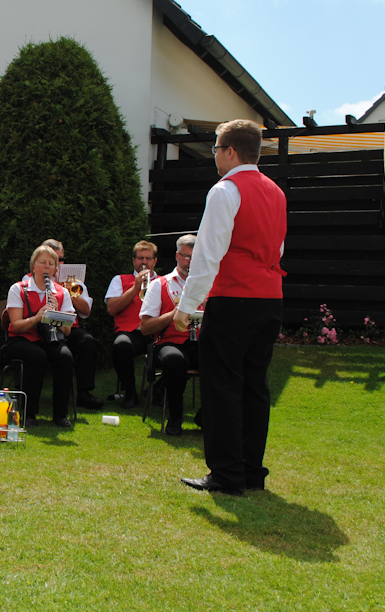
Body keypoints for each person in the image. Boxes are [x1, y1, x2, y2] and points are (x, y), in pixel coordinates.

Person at [174, 119, 287, 495]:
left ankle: (226, 474)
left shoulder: (225, 190)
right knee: (255, 385)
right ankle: (252, 471)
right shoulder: (276, 192)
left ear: (231, 151)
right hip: (270, 298)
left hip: (234, 296)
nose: (215, 156)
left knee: (222, 385)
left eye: (216, 148)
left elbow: (208, 254)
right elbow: (278, 249)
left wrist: (186, 305)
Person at [6, 245, 75, 427]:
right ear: (33, 267)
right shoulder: (18, 288)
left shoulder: (62, 292)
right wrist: (37, 317)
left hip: (49, 338)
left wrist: (57, 314)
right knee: (37, 356)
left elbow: (67, 331)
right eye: (42, 262)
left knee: (65, 356)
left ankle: (60, 414)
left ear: (55, 269)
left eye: (51, 264)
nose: (46, 267)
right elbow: (16, 326)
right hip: (21, 339)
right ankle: (28, 413)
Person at [139, 235, 201, 436]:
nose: (190, 262)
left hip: (201, 342)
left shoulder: (209, 285)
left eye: (195, 257)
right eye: (186, 256)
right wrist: (174, 314)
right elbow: (145, 327)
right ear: (177, 256)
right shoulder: (160, 284)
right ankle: (175, 418)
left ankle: (206, 416)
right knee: (174, 360)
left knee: (222, 359)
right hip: (169, 342)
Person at [40, 239, 103, 410]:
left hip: (69, 327)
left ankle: (83, 393)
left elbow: (86, 311)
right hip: (42, 327)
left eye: (60, 259)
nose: (58, 264)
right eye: (53, 259)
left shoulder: (74, 281)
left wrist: (67, 291)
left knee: (87, 342)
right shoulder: (32, 278)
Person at [104, 240, 158, 409]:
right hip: (131, 332)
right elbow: (111, 309)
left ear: (155, 261)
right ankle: (130, 393)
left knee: (180, 351)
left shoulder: (164, 281)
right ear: (134, 260)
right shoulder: (119, 280)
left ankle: (157, 391)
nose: (144, 262)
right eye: (140, 258)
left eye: (148, 258)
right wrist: (135, 288)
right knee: (121, 345)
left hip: (157, 332)